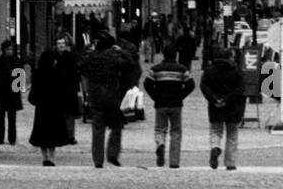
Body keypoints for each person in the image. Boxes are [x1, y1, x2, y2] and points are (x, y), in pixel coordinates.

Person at [76, 31, 141, 168]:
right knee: (116, 126)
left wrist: (88, 50)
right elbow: (130, 65)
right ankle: (112, 154)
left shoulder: (91, 57)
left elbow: (80, 65)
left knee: (98, 130)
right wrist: (122, 51)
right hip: (111, 96)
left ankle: (98, 160)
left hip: (95, 97)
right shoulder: (113, 57)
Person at [144, 44, 194, 168]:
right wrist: (180, 96)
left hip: (160, 104)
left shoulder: (155, 69)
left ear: (163, 54)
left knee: (160, 129)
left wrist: (155, 96)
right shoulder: (182, 69)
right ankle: (174, 162)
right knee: (176, 132)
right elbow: (191, 85)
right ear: (176, 54)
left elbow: (147, 84)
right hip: (176, 104)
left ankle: (160, 144)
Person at [28, 36, 76, 165]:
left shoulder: (38, 72)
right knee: (53, 134)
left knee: (42, 134)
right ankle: (52, 158)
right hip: (55, 107)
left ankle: (44, 157)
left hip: (42, 108)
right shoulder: (56, 73)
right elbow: (61, 89)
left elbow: (34, 90)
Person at [200, 46, 246, 169]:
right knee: (232, 134)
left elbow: (204, 87)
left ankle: (215, 147)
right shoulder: (236, 71)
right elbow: (241, 89)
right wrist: (227, 99)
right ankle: (230, 163)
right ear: (229, 57)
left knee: (215, 130)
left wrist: (214, 99)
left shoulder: (209, 70)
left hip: (215, 106)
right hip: (232, 107)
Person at [0, 39, 25, 146]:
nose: (10, 51)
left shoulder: (17, 61)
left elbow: (21, 77)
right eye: (8, 49)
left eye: (11, 49)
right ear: (3, 50)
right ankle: (0, 139)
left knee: (12, 119)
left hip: (12, 93)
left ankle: (12, 139)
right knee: (1, 119)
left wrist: (19, 89)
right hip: (1, 94)